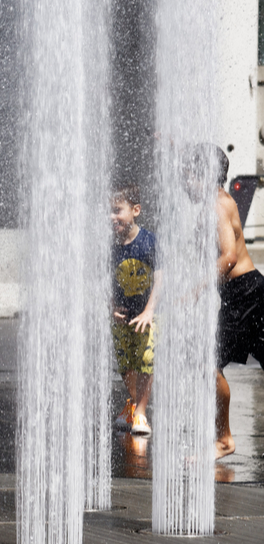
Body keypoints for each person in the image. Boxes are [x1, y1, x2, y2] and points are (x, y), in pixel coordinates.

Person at [193, 145, 264, 459]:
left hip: (244, 294)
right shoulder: (218, 201)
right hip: (249, 292)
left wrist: (199, 288)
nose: (183, 183)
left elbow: (230, 257)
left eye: (188, 175)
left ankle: (223, 440)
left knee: (209, 365)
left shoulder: (217, 204)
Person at [110, 183, 160, 435]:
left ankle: (140, 411)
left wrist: (150, 310)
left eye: (118, 210)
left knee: (146, 361)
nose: (112, 217)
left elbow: (162, 277)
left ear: (136, 210)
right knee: (125, 363)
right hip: (122, 318)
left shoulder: (149, 241)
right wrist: (110, 307)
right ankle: (132, 404)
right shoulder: (111, 246)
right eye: (109, 211)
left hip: (147, 316)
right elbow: (104, 280)